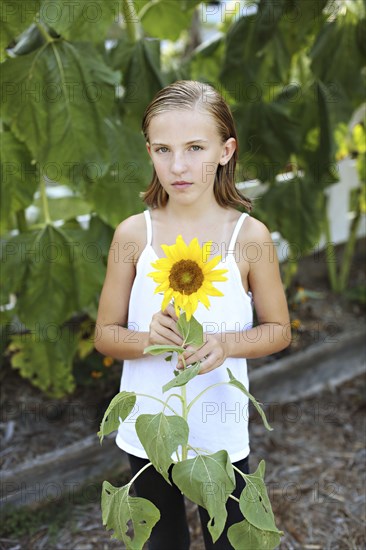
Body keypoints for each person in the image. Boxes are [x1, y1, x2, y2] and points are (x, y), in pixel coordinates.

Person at [94, 80, 290, 549]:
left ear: (226, 151)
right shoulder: (133, 234)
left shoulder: (249, 237)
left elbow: (278, 330)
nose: (177, 166)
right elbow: (105, 334)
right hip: (150, 436)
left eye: (195, 148)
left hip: (219, 435)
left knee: (228, 540)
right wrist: (145, 339)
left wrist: (226, 345)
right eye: (163, 149)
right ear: (148, 151)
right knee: (161, 540)